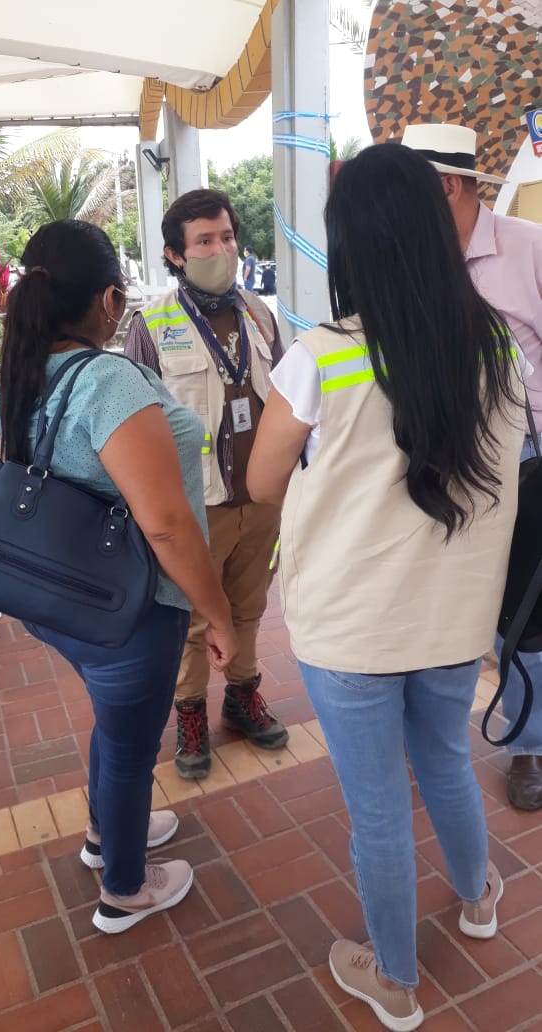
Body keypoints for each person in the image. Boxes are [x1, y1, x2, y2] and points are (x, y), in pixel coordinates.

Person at [247, 143, 525, 1031]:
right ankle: (478, 898)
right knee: (443, 759)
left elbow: (260, 481)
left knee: (376, 810)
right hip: (454, 619)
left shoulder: (319, 357)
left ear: (352, 243)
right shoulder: (495, 345)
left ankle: (395, 981)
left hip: (348, 627)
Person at [0, 219, 237, 934]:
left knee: (116, 723)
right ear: (108, 300)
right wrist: (218, 613)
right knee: (133, 747)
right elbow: (166, 527)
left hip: (61, 596)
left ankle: (105, 834)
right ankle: (124, 890)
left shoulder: (25, 369)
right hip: (130, 605)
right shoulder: (107, 382)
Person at [123, 189, 288, 779]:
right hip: (196, 506)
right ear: (175, 255)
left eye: (226, 237)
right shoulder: (151, 325)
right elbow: (135, 424)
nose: (222, 250)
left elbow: (286, 404)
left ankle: (242, 697)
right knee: (192, 618)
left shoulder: (261, 315)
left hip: (261, 500)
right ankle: (189, 714)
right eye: (204, 242)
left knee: (249, 606)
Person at [403, 121, 542, 811]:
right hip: (436, 461)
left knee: (525, 610)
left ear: (449, 186)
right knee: (443, 599)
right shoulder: (409, 260)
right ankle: (429, 736)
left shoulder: (528, 247)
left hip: (524, 460)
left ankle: (529, 744)